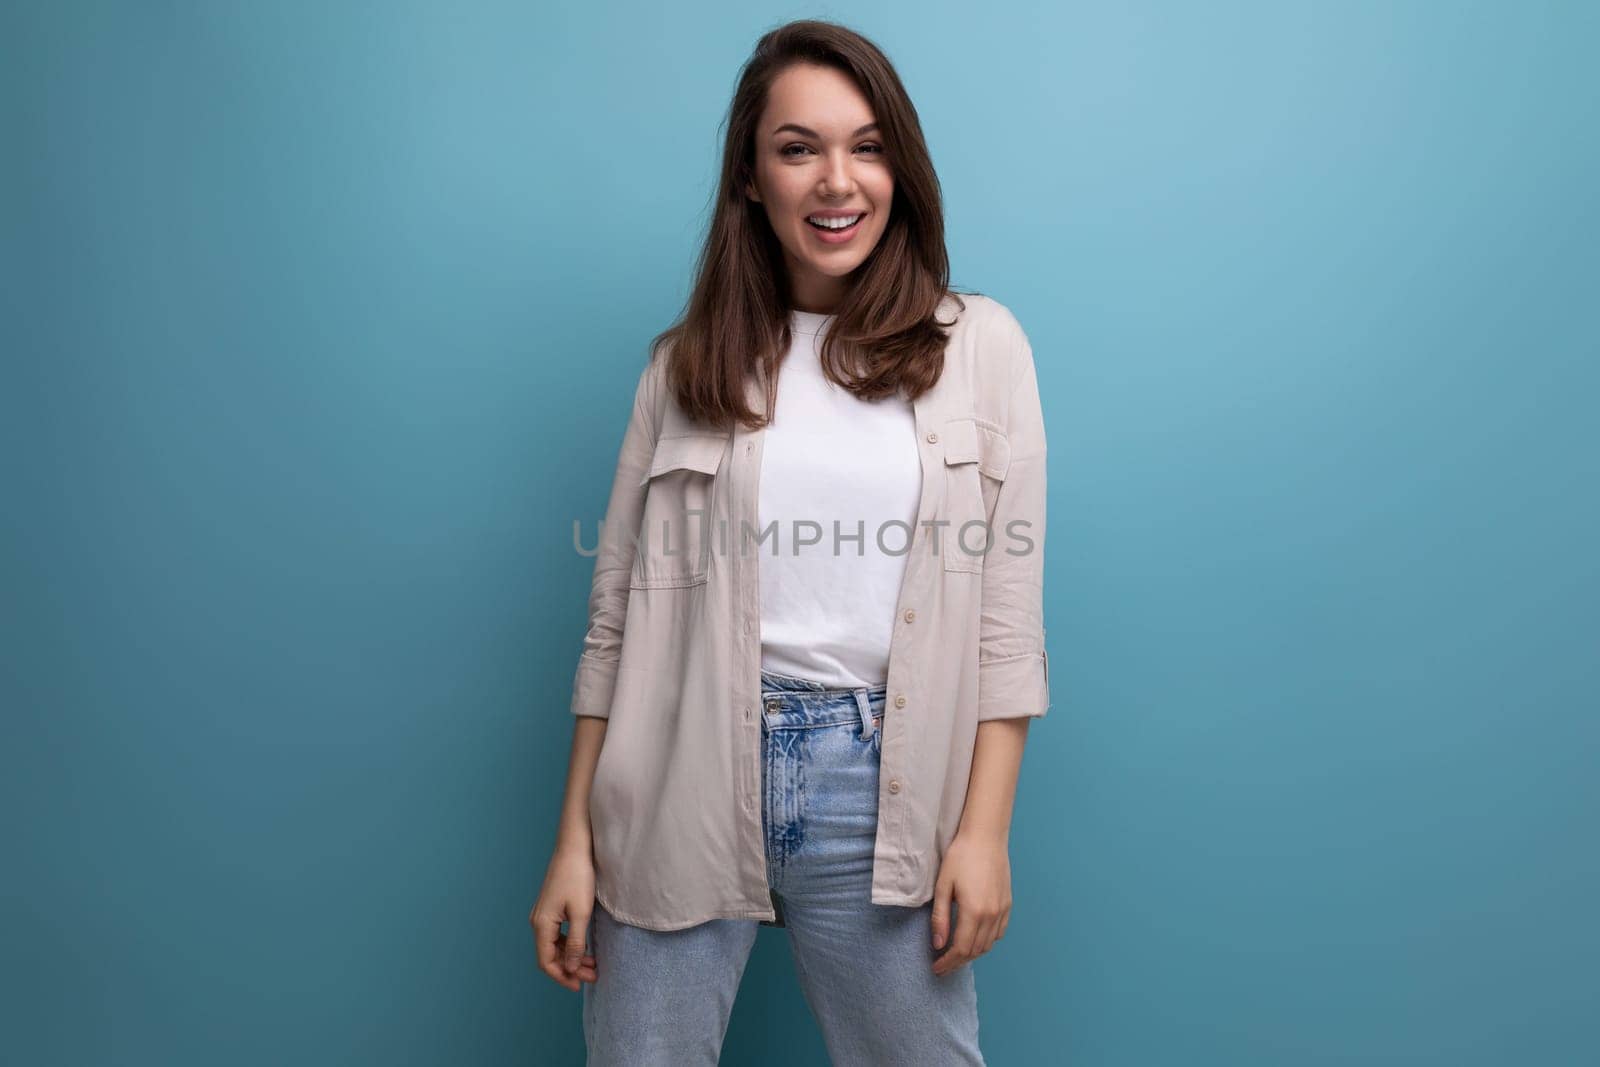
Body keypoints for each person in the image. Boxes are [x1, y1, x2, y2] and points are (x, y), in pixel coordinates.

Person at [530, 18, 1050, 1065]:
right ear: (750, 178)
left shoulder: (979, 347)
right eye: (797, 147)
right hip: (678, 762)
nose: (836, 181)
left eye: (866, 146)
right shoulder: (682, 367)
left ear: (898, 168)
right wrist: (574, 842)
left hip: (879, 783)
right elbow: (614, 620)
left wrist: (982, 832)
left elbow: (1005, 622)